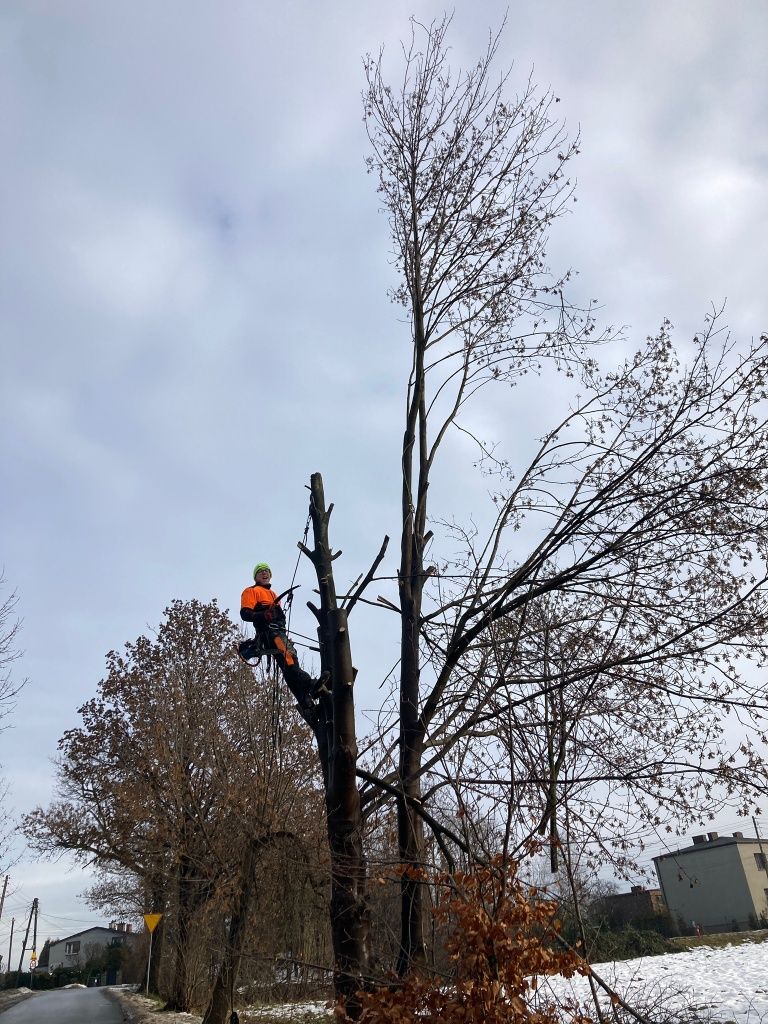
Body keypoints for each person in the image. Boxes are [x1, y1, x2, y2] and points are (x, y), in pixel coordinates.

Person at [239, 562, 327, 714]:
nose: (264, 573)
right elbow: (245, 614)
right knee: (289, 660)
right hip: (268, 633)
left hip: (278, 632)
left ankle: (306, 704)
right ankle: (311, 685)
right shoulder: (251, 591)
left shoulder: (273, 594)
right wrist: (262, 615)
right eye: (260, 572)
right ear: (256, 576)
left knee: (289, 667)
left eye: (267, 571)